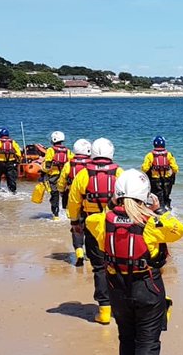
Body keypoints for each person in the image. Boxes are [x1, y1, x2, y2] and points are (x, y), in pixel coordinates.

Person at [85, 169, 183, 355]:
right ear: (145, 195)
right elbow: (178, 230)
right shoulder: (151, 222)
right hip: (147, 287)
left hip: (116, 288)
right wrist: (159, 209)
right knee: (148, 340)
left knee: (127, 335)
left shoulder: (101, 221)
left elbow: (90, 222)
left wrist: (112, 206)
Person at [67, 137, 122, 323]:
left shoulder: (83, 174)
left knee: (99, 267)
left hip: (91, 225)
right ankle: (121, 306)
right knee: (119, 265)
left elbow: (73, 201)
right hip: (117, 225)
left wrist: (74, 222)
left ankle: (104, 310)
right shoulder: (119, 173)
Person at [58, 138, 95, 265]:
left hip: (72, 199)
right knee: (90, 228)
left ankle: (79, 251)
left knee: (76, 226)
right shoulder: (92, 166)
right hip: (90, 202)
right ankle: (90, 255)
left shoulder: (69, 164)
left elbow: (62, 181)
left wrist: (61, 191)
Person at [141, 135, 179, 209]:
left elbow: (144, 169)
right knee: (166, 195)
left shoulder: (150, 155)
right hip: (168, 180)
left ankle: (160, 210)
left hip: (155, 181)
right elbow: (175, 168)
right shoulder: (169, 155)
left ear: (154, 144)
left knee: (158, 196)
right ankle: (168, 208)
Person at [41, 131, 71, 220]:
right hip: (65, 177)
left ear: (53, 140)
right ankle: (68, 214)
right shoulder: (68, 151)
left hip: (53, 177)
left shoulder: (51, 150)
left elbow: (47, 165)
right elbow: (71, 164)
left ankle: (56, 215)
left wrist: (43, 170)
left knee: (54, 195)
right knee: (65, 195)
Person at [0, 127, 23, 193]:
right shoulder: (13, 142)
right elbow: (18, 153)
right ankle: (13, 192)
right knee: (11, 179)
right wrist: (19, 161)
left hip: (0, 164)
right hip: (11, 163)